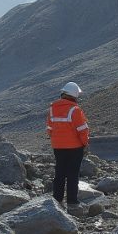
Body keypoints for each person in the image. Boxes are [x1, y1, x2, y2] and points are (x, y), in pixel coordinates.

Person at [47, 81, 90, 213]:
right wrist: (85, 144)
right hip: (74, 147)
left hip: (58, 147)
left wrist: (57, 140)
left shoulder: (52, 109)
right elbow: (82, 130)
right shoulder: (75, 110)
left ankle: (57, 199)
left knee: (59, 172)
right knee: (72, 174)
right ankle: (72, 202)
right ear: (74, 95)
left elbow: (49, 129)